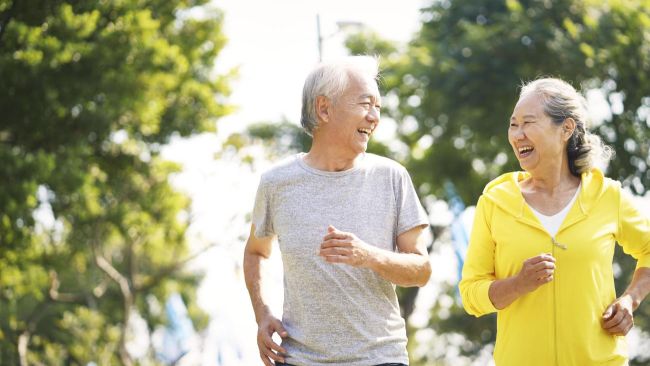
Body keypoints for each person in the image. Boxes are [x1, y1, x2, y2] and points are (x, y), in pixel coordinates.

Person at [243, 55, 432, 366]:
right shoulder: (276, 184)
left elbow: (422, 270)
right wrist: (261, 314)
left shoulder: (392, 177)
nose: (374, 117)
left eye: (378, 108)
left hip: (380, 358)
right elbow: (256, 252)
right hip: (299, 359)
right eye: (365, 104)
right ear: (324, 108)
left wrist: (368, 256)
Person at [459, 77, 650, 365]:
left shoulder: (606, 196)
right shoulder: (495, 202)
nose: (517, 134)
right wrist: (518, 284)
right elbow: (471, 293)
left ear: (566, 128)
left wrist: (630, 300)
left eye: (528, 122)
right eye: (513, 124)